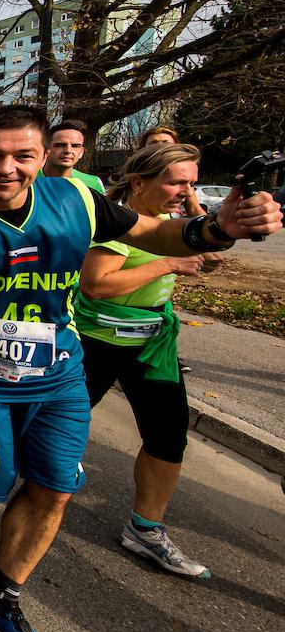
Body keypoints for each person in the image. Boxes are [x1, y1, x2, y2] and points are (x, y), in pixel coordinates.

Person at [0, 104, 280, 632]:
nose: (7, 168)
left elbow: (153, 231)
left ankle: (1, 596)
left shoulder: (76, 199)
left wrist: (218, 229)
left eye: (22, 156)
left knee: (54, 490)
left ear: (41, 158)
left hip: (59, 371)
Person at [77, 144, 211, 579]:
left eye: (191, 181)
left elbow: (201, 253)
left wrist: (192, 213)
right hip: (96, 343)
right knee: (58, 425)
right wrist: (168, 263)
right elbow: (97, 284)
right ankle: (39, 488)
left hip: (152, 345)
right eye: (176, 182)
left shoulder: (175, 224)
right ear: (139, 184)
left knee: (169, 436)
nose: (184, 190)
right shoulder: (118, 222)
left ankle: (145, 529)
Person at [41, 120, 104, 193]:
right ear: (46, 149)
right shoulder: (29, 179)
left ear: (81, 152)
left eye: (75, 146)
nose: (68, 150)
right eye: (60, 145)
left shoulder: (93, 184)